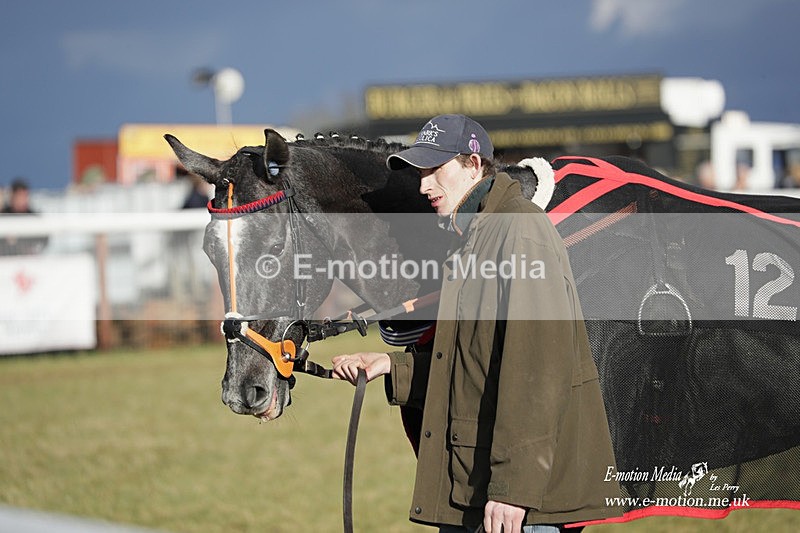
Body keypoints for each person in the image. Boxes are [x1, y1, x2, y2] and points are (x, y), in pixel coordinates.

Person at [332, 115, 621, 532]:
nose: (423, 186)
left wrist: (512, 488)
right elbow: (473, 366)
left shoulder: (517, 231)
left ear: (472, 164)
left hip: (513, 505)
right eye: (420, 173)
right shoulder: (472, 238)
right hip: (476, 490)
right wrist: (390, 367)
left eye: (434, 170)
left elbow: (539, 375)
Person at [1, 178, 47, 255]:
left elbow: (43, 239)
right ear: (12, 196)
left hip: (28, 260)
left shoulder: (33, 217)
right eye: (20, 196)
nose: (23, 200)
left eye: (25, 196)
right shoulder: (4, 215)